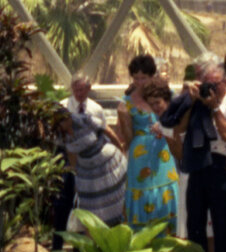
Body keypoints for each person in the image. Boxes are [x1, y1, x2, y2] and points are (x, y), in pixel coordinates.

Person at [161, 57, 226, 252]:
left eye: (215, 83)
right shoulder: (197, 101)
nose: (210, 88)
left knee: (222, 224)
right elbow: (179, 128)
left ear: (225, 82)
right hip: (198, 164)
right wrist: (193, 102)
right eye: (206, 82)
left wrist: (214, 107)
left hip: (222, 166)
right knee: (195, 222)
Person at [63, 74, 127, 229]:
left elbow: (106, 130)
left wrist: (121, 150)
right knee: (79, 200)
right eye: (75, 90)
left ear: (89, 89)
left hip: (102, 163)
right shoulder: (63, 108)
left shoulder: (94, 110)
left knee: (107, 198)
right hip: (77, 164)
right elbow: (70, 152)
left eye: (82, 89)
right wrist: (74, 171)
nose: (78, 93)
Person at [122, 76, 182, 230]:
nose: (155, 107)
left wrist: (166, 128)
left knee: (167, 190)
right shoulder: (128, 103)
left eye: (157, 103)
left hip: (165, 158)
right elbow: (126, 138)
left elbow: (178, 145)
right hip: (141, 159)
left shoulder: (175, 115)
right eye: (151, 104)